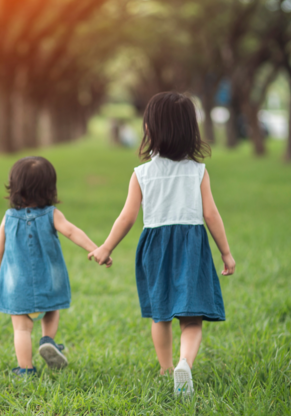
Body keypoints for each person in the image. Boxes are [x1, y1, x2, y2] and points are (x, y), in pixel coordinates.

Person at [88, 92, 235, 397]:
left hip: (155, 247)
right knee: (192, 317)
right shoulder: (198, 171)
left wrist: (106, 247)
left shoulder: (142, 174)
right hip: (191, 245)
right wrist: (226, 253)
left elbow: (126, 218)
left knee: (161, 313)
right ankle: (185, 363)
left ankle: (166, 367)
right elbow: (211, 214)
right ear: (189, 131)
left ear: (151, 130)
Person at [0, 156, 112, 376]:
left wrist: (4, 273)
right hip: (50, 277)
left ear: (15, 188)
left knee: (21, 328)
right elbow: (71, 231)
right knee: (52, 307)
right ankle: (48, 339)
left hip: (17, 284)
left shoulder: (8, 217)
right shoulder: (52, 214)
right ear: (49, 188)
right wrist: (95, 249)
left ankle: (25, 369)